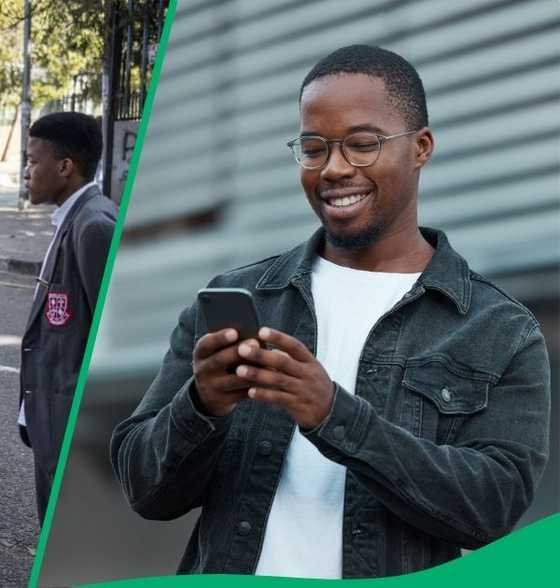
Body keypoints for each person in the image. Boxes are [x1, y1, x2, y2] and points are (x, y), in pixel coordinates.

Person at [111, 45, 550, 579]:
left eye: (362, 145)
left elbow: (492, 508)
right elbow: (144, 488)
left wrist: (333, 416)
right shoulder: (241, 296)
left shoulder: (499, 329)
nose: (335, 169)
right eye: (314, 148)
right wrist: (201, 404)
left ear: (421, 147)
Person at [19, 112, 117, 524]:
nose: (26, 171)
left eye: (32, 161)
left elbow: (111, 339)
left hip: (74, 429)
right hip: (53, 419)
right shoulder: (73, 218)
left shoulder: (94, 226)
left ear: (64, 167)